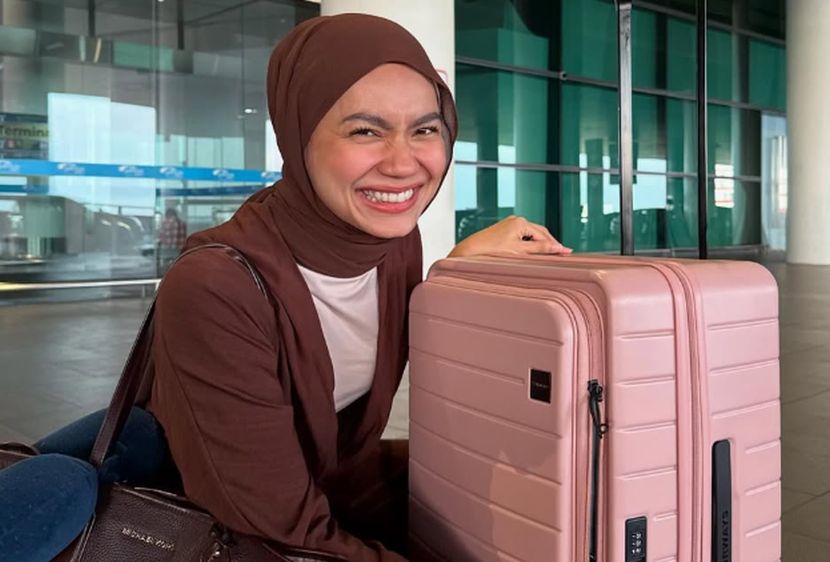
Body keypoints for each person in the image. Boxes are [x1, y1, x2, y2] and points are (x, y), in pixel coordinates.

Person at [146, 13, 571, 562]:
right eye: (365, 131)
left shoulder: (394, 245)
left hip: (333, 496)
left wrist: (456, 272)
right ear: (297, 134)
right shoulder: (216, 289)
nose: (403, 163)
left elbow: (346, 454)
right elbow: (278, 534)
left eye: (425, 130)